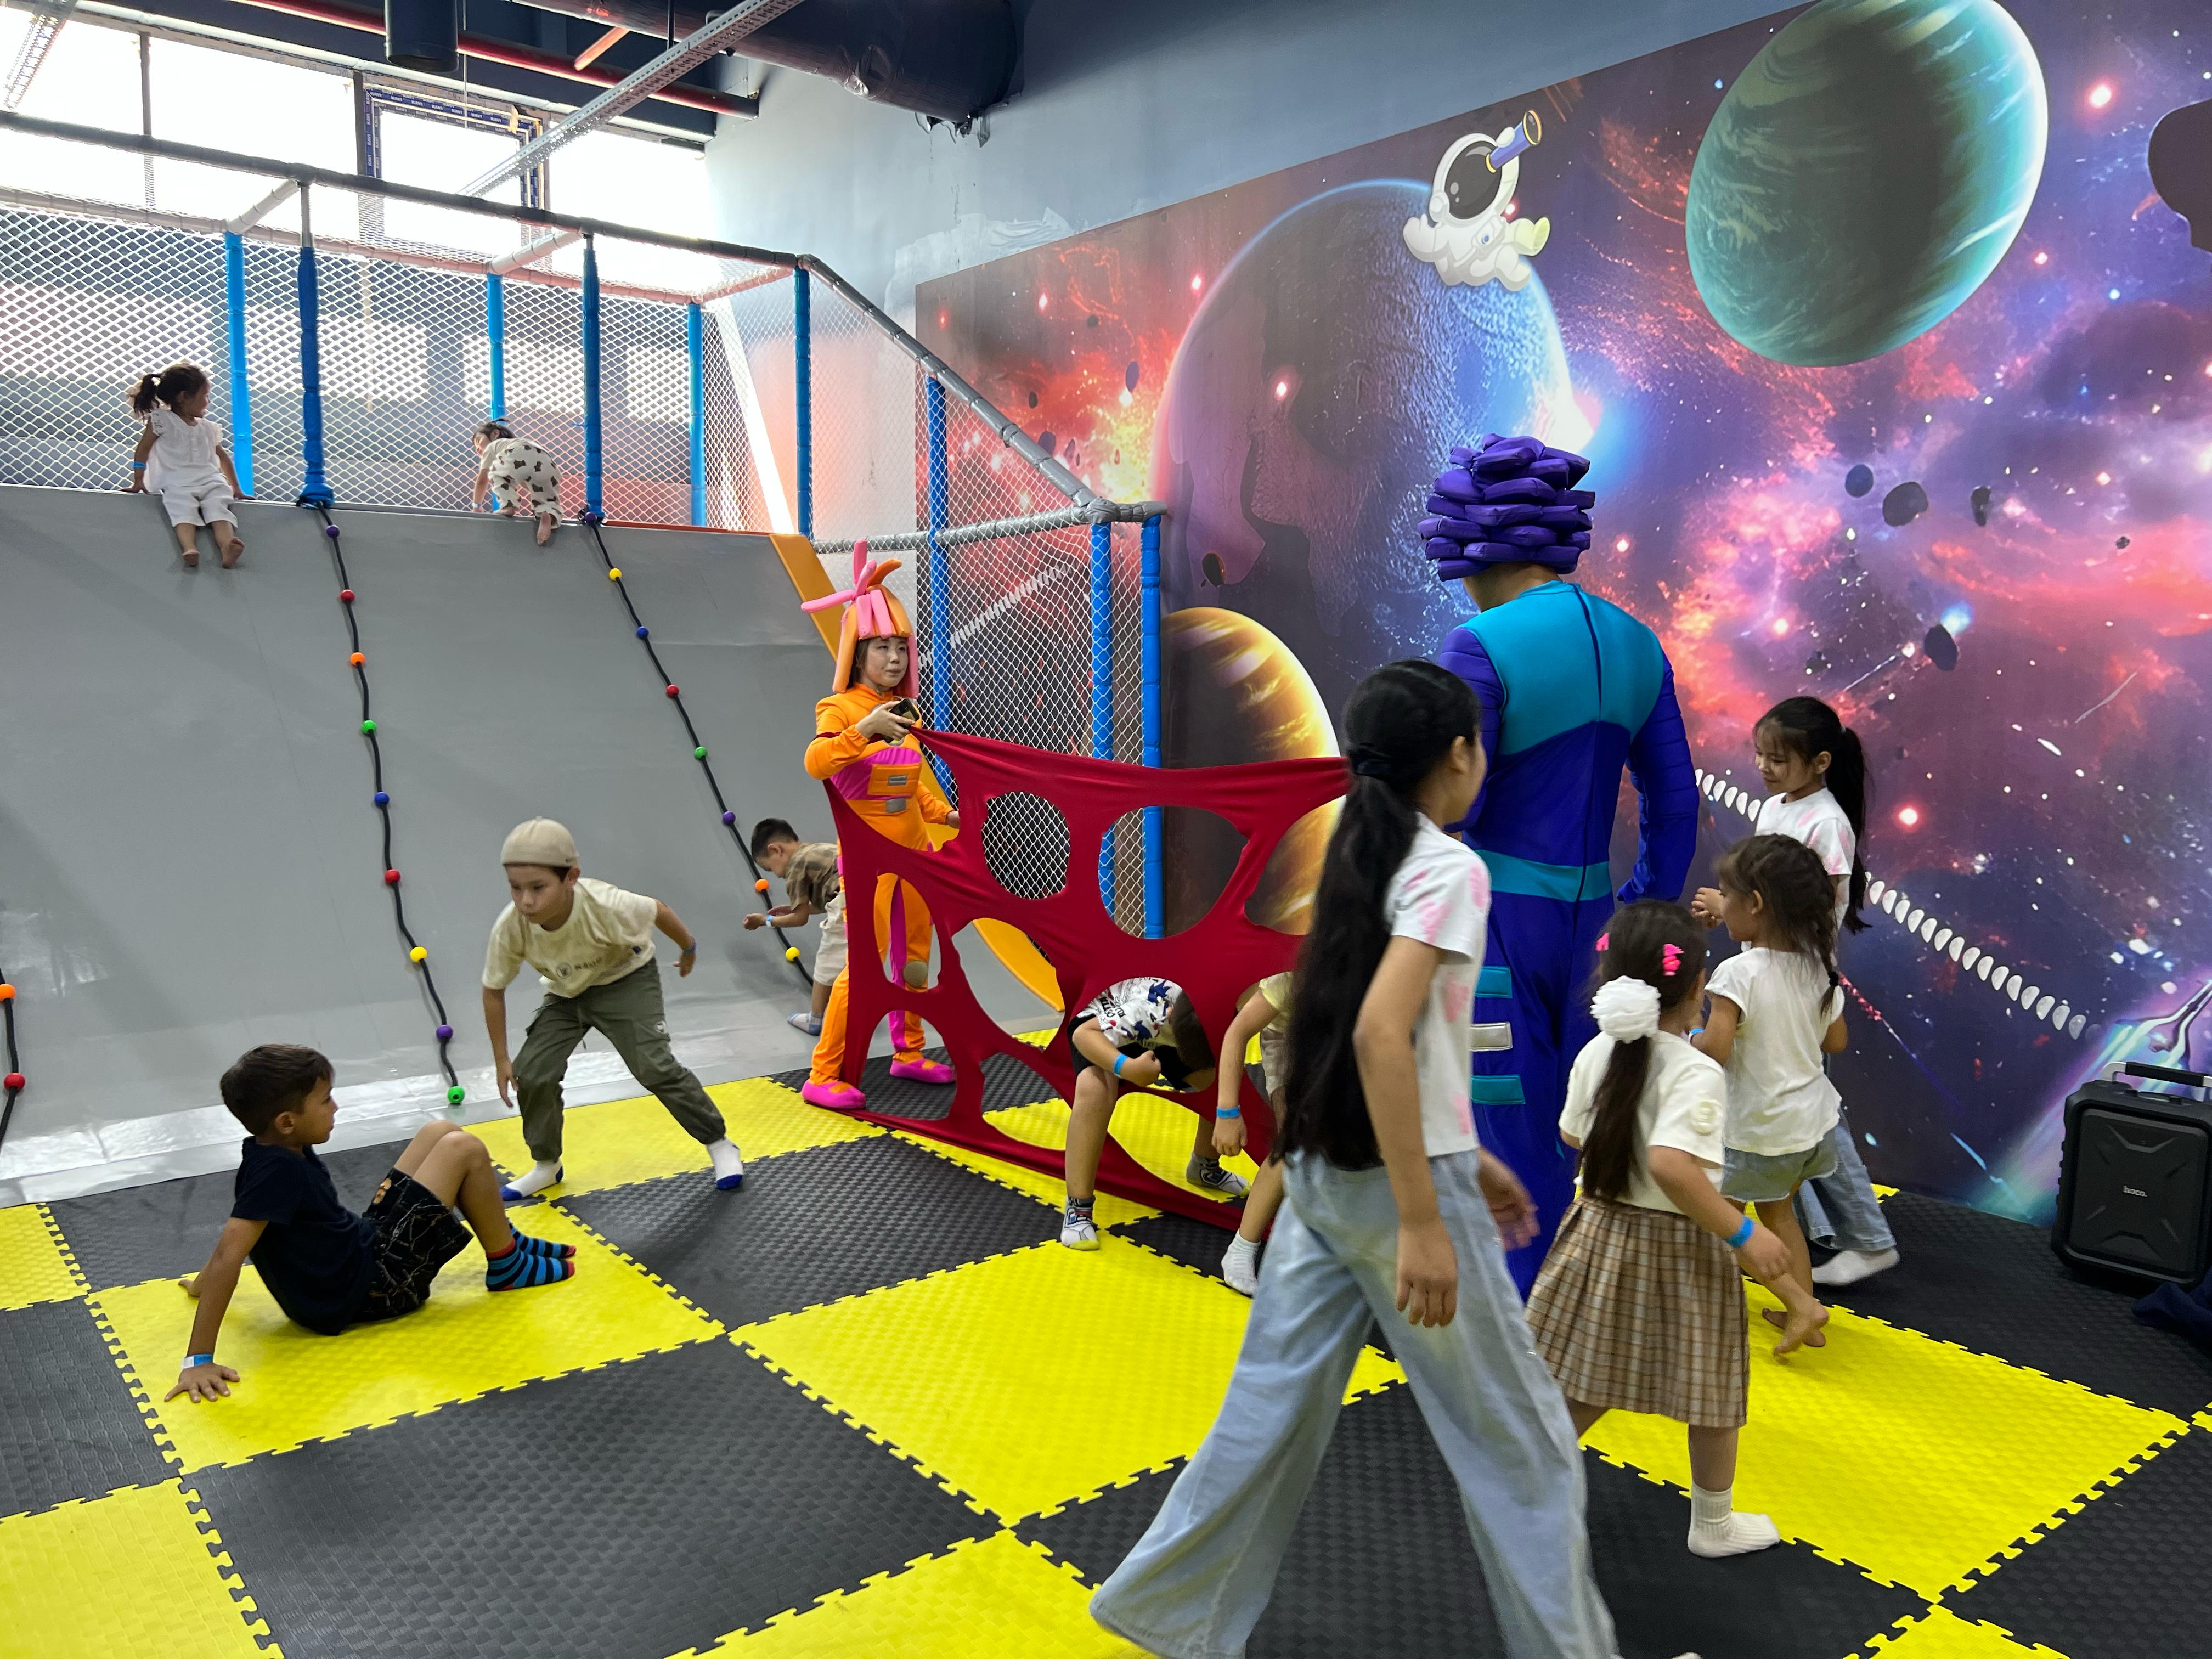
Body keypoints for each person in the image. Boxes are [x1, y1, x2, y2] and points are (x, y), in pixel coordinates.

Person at [1091, 660, 1651, 1659]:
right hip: (1397, 1190)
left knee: (1270, 1408)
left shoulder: (1355, 846)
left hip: (1322, 1174)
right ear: (1459, 754)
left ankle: (1166, 1612)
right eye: (1479, 744)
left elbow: (1371, 1033)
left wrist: (1464, 1157)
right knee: (1524, 1445)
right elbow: (1381, 1035)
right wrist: (1427, 1214)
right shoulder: (1448, 868)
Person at [1427, 433, 1700, 1296]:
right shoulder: (1638, 644)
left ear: (1473, 543)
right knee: (1582, 1123)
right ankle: (1579, 1309)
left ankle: (1511, 1327)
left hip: (1496, 924)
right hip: (1601, 931)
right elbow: (1676, 803)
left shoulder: (1479, 643)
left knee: (1502, 1130)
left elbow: (1454, 804)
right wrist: (1639, 912)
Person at [1527, 901, 1793, 1558]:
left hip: (1599, 1231)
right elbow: (1672, 1164)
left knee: (1582, 1381)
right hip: (1680, 1246)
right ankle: (1713, 1524)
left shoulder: (1598, 1050)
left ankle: (1522, 1495)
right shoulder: (1696, 1069)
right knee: (1714, 1391)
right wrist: (1744, 1235)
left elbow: (1571, 1135)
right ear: (1699, 986)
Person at [167, 1044, 574, 1404]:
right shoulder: (276, 1173)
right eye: (326, 1100)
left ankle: (502, 1237)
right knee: (463, 1148)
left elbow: (237, 1235)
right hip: (374, 1288)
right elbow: (231, 1252)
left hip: (362, 1252)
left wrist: (202, 1285)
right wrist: (198, 1360)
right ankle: (507, 1264)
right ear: (287, 1122)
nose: (336, 1108)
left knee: (440, 1130)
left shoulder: (274, 1149)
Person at [1694, 696, 1898, 1288]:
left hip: (1794, 977)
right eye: (1761, 755)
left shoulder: (1828, 824)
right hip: (1770, 967)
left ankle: (1868, 1238)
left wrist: (1739, 915)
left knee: (1804, 1111)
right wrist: (1734, 912)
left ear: (1821, 761)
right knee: (1791, 1114)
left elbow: (1808, 907)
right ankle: (1820, 1238)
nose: (1764, 767)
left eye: (1779, 758)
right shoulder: (1776, 808)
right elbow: (1762, 886)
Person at [480, 817, 743, 1198]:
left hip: (626, 978)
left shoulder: (606, 904)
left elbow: (658, 910)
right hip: (567, 994)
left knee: (654, 1067)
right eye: (516, 888)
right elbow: (493, 990)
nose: (526, 901)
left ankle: (719, 1143)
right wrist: (502, 1059)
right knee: (532, 1073)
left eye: (538, 888)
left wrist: (688, 948)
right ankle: (546, 1165)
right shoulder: (512, 926)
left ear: (571, 878)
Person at [797, 542, 959, 1110]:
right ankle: (823, 1073)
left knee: (914, 963)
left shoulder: (904, 710)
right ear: (857, 651)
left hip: (915, 856)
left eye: (900, 647)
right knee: (862, 968)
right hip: (869, 865)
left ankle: (908, 1052)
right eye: (881, 647)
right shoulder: (839, 708)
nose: (894, 658)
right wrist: (864, 729)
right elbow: (817, 763)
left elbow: (911, 783)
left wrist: (946, 815)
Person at [1694, 834, 1844, 1353]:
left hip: (1759, 1130)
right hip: (1811, 1126)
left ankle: (1800, 1305)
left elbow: (1715, 1050)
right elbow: (1836, 1041)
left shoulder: (1739, 972)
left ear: (1754, 904)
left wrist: (1688, 1036)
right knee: (1778, 1213)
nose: (1721, 904)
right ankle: (1804, 1311)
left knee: (1718, 1219)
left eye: (1726, 895)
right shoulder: (1817, 965)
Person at [1060, 979, 1232, 1250]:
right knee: (1095, 1089)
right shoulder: (1151, 1011)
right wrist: (1126, 1067)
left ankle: (1205, 1165)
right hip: (1100, 1024)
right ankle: (1078, 1206)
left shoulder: (1228, 1010)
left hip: (1176, 1028)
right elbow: (1083, 1035)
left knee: (1221, 1081)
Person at [1211, 973, 1295, 1294]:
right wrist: (1227, 1113)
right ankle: (1242, 1247)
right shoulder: (1291, 979)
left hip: (1345, 1044)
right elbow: (1237, 1033)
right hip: (1292, 1043)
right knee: (1294, 1142)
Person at [125, 364, 246, 568]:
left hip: (210, 480)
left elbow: (223, 458)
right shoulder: (162, 420)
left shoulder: (208, 428)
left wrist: (236, 488)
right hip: (177, 481)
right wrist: (138, 479)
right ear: (184, 397)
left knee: (218, 505)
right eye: (205, 395)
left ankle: (227, 546)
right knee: (181, 506)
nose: (208, 401)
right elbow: (143, 449)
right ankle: (189, 548)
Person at [746, 817, 842, 1037]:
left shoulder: (795, 864)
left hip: (848, 902)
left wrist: (765, 921)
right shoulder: (818, 849)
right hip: (872, 896)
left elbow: (800, 919)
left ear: (776, 850)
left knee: (827, 962)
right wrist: (794, 908)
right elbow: (830, 897)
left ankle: (815, 1019)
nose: (778, 875)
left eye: (770, 868)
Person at [470, 420, 562, 546]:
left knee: (495, 473)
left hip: (519, 454)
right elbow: (527, 477)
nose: (478, 449)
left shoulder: (493, 447)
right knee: (548, 500)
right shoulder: (519, 443)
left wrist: (477, 506)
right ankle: (548, 515)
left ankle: (509, 505)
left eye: (479, 441)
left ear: (495, 434)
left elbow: (482, 480)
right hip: (548, 463)